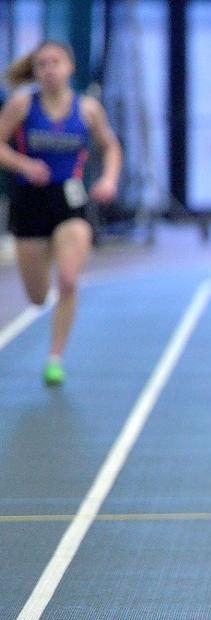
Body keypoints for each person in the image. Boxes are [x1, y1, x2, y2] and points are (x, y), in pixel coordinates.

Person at [0, 40, 122, 385]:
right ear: (35, 71)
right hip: (31, 203)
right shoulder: (23, 105)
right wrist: (23, 164)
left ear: (70, 67)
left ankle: (55, 357)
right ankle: (47, 254)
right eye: (42, 64)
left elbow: (111, 145)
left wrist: (109, 179)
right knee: (38, 297)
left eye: (56, 62)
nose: (49, 70)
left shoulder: (87, 109)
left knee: (68, 280)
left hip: (71, 200)